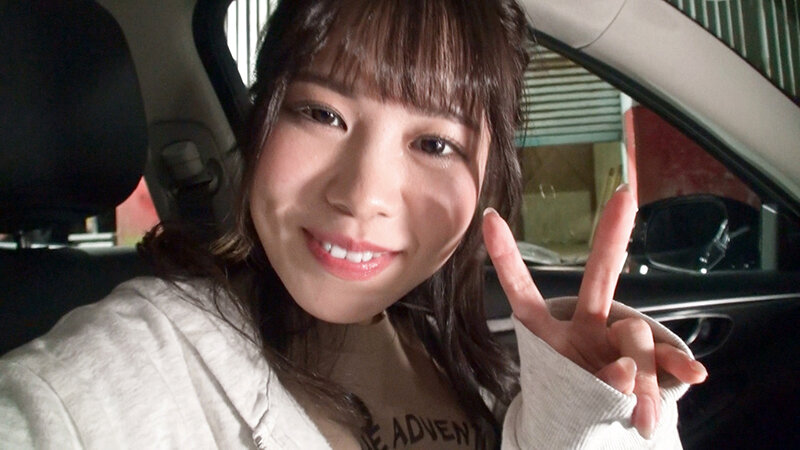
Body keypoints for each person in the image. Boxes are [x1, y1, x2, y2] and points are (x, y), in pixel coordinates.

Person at [0, 0, 707, 448]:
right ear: (261, 123)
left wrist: (586, 421)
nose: (362, 196)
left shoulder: (486, 368)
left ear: (488, 182)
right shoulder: (114, 374)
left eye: (435, 145)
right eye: (321, 113)